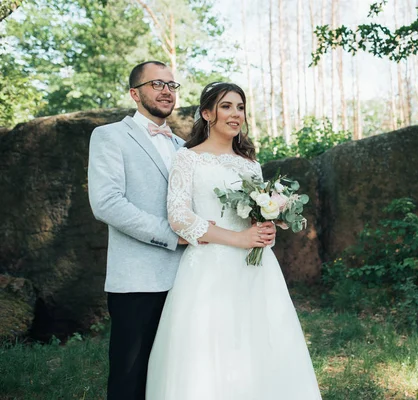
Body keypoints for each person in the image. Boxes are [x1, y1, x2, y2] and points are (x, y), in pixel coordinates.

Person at [88, 62, 278, 399]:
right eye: (156, 84)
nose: (166, 91)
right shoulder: (109, 136)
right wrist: (174, 233)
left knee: (183, 372)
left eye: (172, 85)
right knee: (129, 374)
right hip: (140, 277)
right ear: (135, 93)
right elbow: (107, 204)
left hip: (194, 277)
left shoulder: (183, 147)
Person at [146, 82, 322, 399]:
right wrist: (238, 239)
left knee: (261, 341)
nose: (235, 114)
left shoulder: (250, 163)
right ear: (207, 113)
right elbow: (179, 217)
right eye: (226, 106)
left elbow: (256, 215)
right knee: (211, 345)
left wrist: (271, 224)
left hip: (256, 268)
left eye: (240, 107)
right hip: (208, 266)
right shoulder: (187, 158)